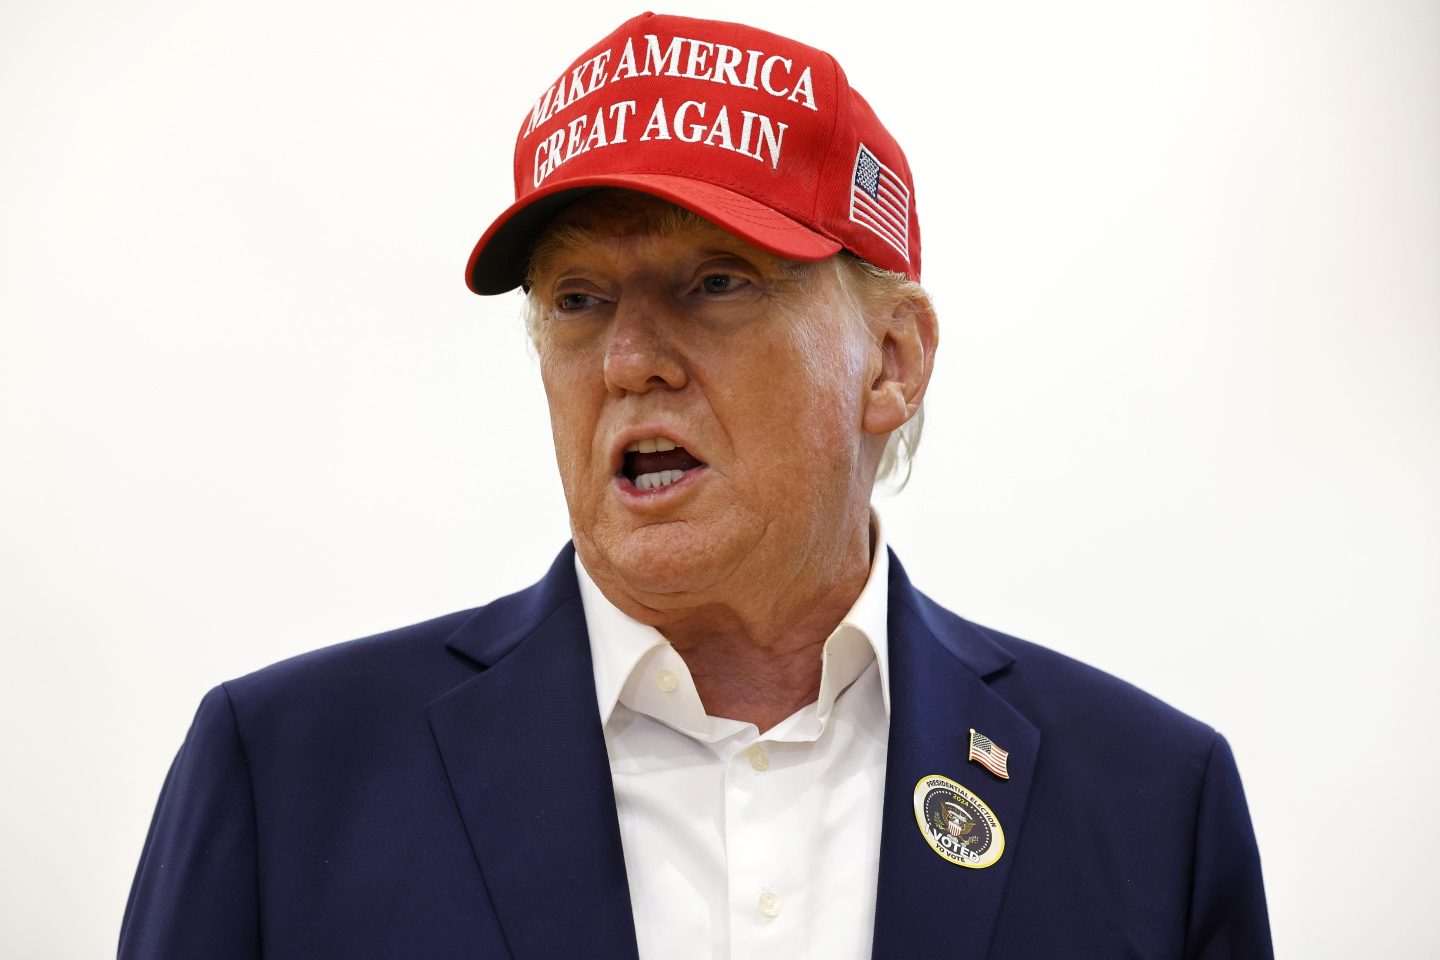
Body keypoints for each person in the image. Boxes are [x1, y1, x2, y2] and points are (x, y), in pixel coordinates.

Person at [119, 12, 1273, 959]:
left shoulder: (1152, 802)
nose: (629, 360)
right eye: (577, 300)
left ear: (891, 361)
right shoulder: (283, 775)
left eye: (716, 283)